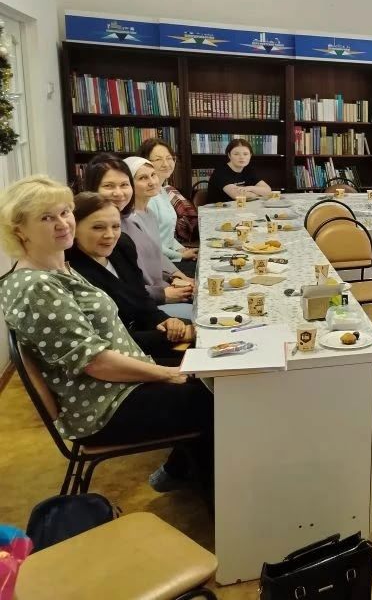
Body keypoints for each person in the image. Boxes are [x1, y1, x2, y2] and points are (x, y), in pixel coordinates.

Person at [0, 175, 213, 493]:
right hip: (105, 407)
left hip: (120, 384)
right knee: (220, 398)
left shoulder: (57, 267)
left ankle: (185, 471)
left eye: (64, 212)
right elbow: (95, 362)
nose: (62, 223)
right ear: (19, 230)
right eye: (46, 218)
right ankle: (220, 494)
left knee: (214, 374)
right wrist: (167, 374)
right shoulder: (36, 286)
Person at [66, 192, 194, 365]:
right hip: (118, 354)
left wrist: (166, 320)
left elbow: (142, 300)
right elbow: (106, 342)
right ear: (73, 229)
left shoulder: (122, 246)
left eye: (116, 226)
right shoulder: (72, 272)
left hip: (143, 330)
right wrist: (172, 335)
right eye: (98, 228)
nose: (110, 235)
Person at [81, 154, 194, 318]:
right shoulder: (100, 232)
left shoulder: (134, 217)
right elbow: (116, 289)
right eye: (108, 186)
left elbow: (152, 258)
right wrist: (162, 293)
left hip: (152, 293)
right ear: (92, 188)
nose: (118, 193)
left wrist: (175, 277)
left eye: (124, 185)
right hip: (133, 310)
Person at [137, 138, 199, 273]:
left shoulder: (163, 190)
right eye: (158, 159)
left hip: (170, 256)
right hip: (158, 264)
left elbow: (167, 235)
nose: (166, 164)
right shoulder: (147, 197)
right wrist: (180, 255)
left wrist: (181, 249)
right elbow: (151, 243)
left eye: (169, 158)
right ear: (145, 163)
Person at [205, 138, 271, 204]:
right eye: (236, 154)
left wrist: (250, 188)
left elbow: (268, 190)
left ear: (250, 155)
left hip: (239, 207)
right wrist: (259, 193)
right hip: (218, 209)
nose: (241, 157)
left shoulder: (248, 169)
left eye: (245, 154)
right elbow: (238, 196)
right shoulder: (220, 172)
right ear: (229, 155)